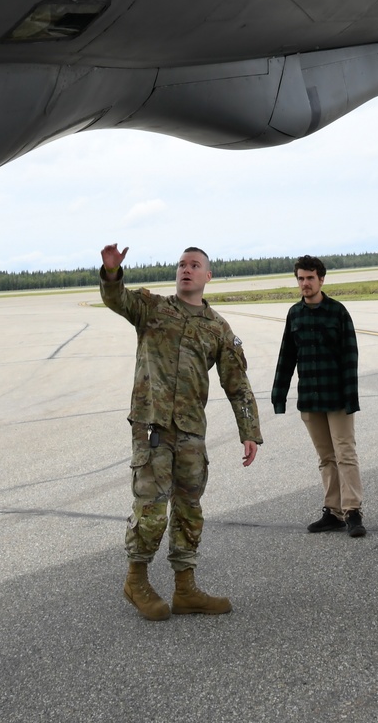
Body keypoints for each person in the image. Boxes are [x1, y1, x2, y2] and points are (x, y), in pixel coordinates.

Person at [100, 242, 261, 620]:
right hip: (152, 425)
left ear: (207, 276)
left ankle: (185, 588)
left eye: (194, 265)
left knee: (189, 509)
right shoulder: (153, 309)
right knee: (151, 509)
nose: (186, 269)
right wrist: (111, 272)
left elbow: (237, 383)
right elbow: (116, 298)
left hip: (190, 430)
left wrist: (249, 431)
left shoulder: (218, 328)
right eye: (181, 264)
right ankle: (135, 579)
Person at [271, 255, 366, 537]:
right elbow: (286, 356)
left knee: (345, 453)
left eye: (310, 278)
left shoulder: (337, 312)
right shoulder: (295, 314)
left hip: (337, 398)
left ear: (321, 279)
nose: (305, 283)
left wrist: (351, 399)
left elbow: (350, 357)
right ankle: (333, 511)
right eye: (300, 278)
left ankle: (353, 511)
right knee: (326, 457)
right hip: (310, 400)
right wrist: (280, 395)